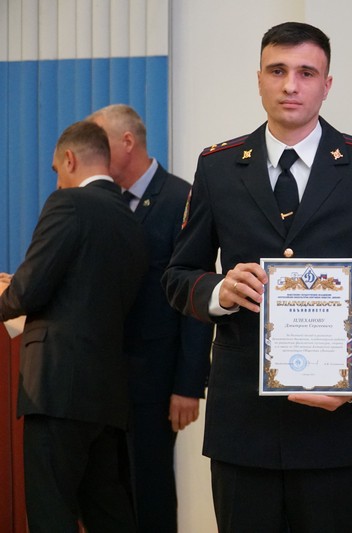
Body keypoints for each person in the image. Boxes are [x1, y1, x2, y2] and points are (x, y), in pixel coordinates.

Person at [162, 21, 352, 533]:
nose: (290, 85)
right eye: (277, 71)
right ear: (259, 79)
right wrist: (219, 290)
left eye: (306, 73)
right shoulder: (218, 167)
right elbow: (178, 276)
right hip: (245, 427)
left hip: (337, 429)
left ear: (327, 84)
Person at [0, 120, 148, 532]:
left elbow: (29, 290)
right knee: (108, 513)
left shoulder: (68, 204)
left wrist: (6, 294)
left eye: (56, 171)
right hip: (108, 395)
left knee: (51, 512)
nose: (57, 181)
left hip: (57, 387)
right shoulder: (131, 221)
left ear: (69, 159)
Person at [88, 104, 213, 533]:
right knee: (109, 490)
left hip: (156, 381)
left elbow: (196, 299)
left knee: (151, 488)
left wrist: (188, 385)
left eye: (100, 143)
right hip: (105, 378)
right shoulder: (102, 203)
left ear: (127, 141)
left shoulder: (181, 198)